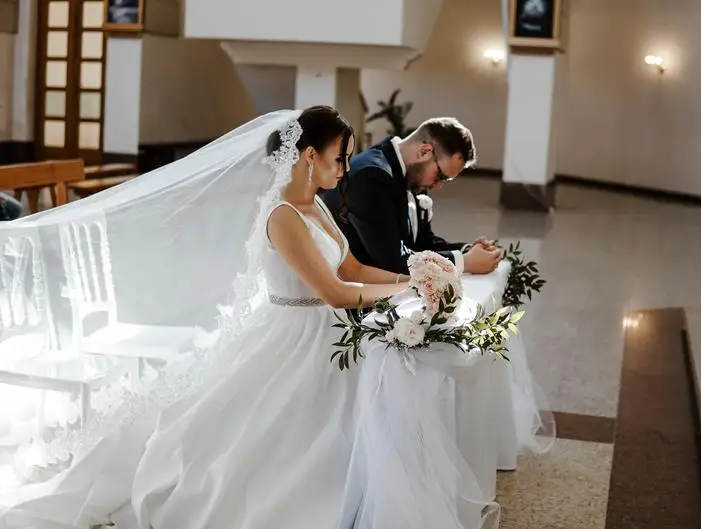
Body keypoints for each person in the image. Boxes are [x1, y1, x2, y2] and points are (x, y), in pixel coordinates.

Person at [0, 107, 522, 528]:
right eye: (339, 160)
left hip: (328, 330)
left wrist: (417, 277)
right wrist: (402, 292)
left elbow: (356, 265)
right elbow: (335, 291)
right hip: (295, 336)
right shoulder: (283, 217)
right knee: (272, 442)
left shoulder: (316, 206)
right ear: (309, 155)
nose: (344, 171)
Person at [320, 117, 502, 276]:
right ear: (424, 151)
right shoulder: (371, 176)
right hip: (351, 299)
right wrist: (463, 262)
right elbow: (390, 261)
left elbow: (422, 243)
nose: (437, 186)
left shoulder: (412, 173)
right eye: (440, 176)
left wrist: (467, 251)